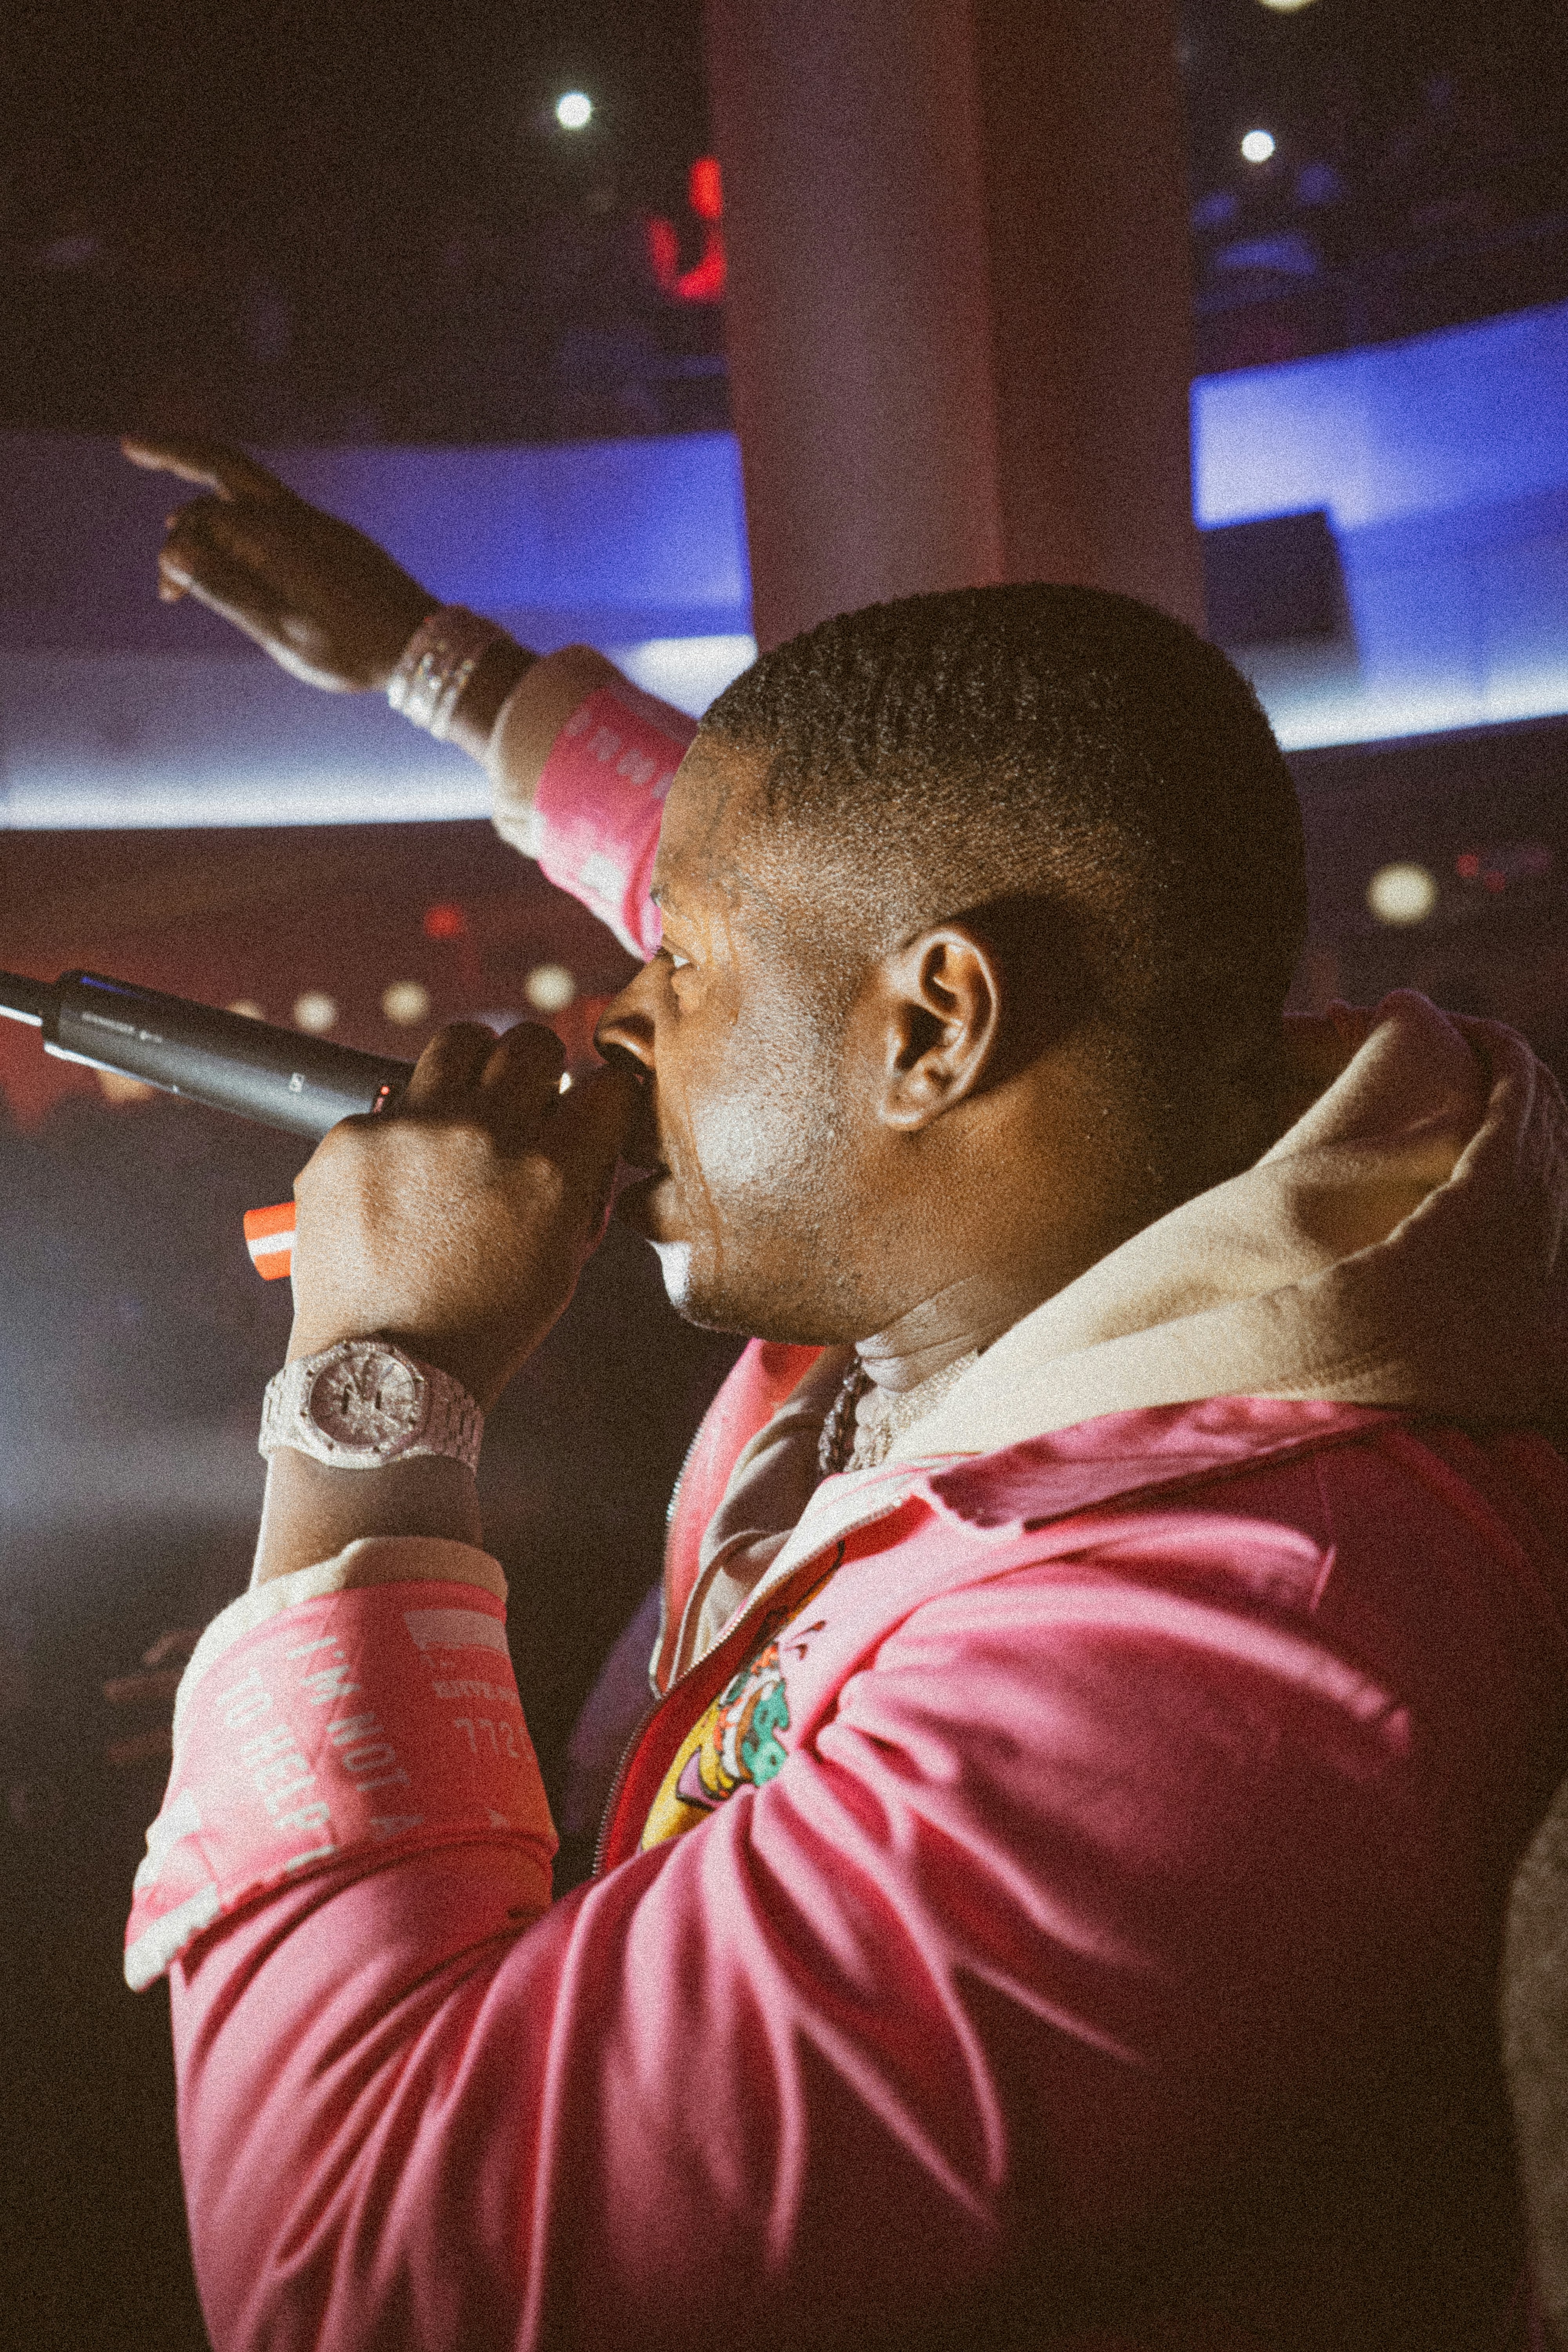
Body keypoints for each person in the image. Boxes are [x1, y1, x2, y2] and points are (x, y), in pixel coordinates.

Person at [115, 437, 1568, 2352]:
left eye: (671, 968)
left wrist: (377, 1409)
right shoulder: (1040, 1172)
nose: (613, 1025)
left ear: (937, 1029)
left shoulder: (1223, 1651)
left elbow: (366, 2275)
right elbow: (804, 900)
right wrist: (425, 662)